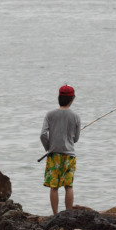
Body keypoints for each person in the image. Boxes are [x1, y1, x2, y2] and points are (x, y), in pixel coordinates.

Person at [40, 85, 81, 215]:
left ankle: (55, 215)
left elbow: (42, 135)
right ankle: (68, 214)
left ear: (59, 97)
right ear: (72, 99)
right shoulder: (75, 116)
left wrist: (49, 147)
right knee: (69, 186)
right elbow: (76, 139)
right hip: (69, 156)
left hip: (54, 155)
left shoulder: (50, 115)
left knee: (54, 187)